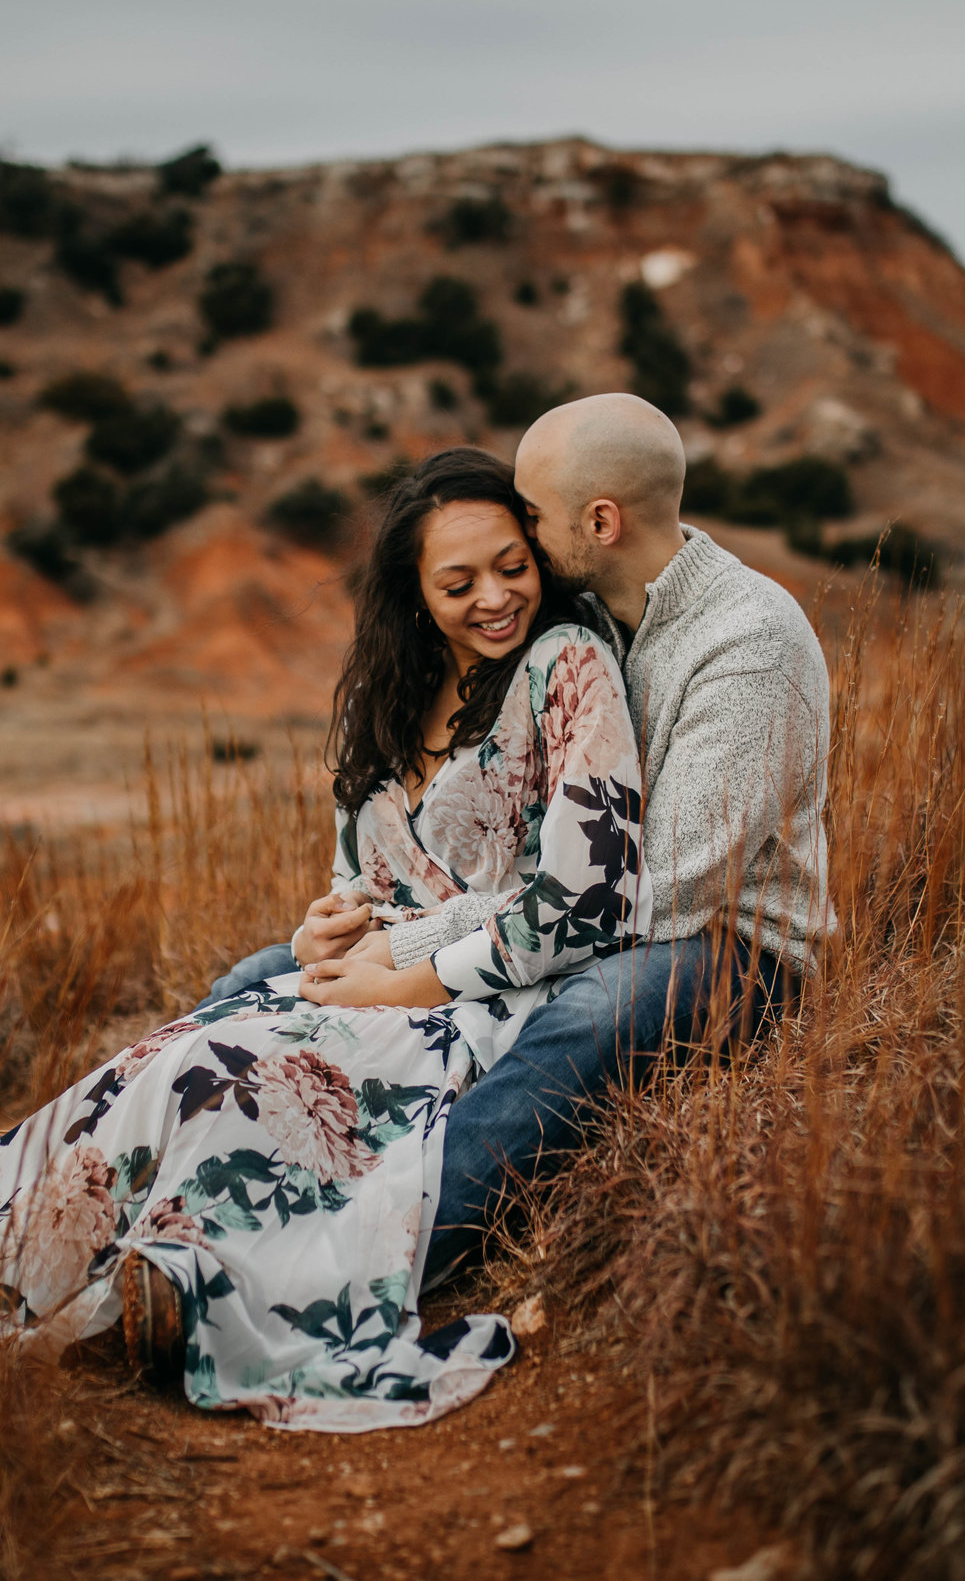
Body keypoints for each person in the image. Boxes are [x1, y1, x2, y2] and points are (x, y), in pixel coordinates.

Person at [0, 448, 645, 1436]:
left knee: (205, 1076)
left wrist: (397, 981)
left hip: (470, 1004)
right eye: (458, 581)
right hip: (353, 990)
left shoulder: (565, 667)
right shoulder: (387, 700)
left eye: (512, 566)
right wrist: (325, 923)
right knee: (136, 1077)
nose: (494, 596)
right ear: (412, 590)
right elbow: (356, 882)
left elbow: (585, 902)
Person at [200, 392, 833, 1288]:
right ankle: (186, 1201)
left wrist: (413, 947)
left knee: (591, 1016)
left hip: (726, 948)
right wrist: (350, 930)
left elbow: (656, 892)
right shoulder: (588, 617)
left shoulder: (748, 639)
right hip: (572, 920)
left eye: (531, 516)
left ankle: (357, 1264)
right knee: (257, 977)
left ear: (600, 521)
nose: (520, 543)